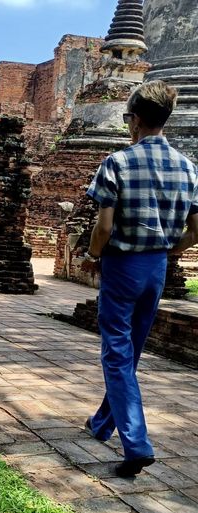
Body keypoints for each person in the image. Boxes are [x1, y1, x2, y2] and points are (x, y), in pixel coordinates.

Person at [82, 80, 198, 478]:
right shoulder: (188, 167)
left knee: (116, 351)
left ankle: (137, 443)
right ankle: (101, 422)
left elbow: (103, 227)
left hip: (121, 265)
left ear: (134, 121)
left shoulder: (118, 162)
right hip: (156, 269)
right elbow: (197, 230)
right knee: (129, 350)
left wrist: (91, 256)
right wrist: (169, 248)